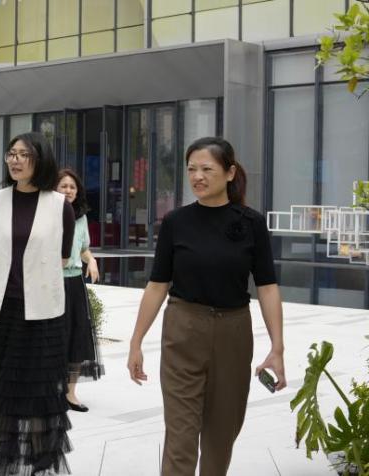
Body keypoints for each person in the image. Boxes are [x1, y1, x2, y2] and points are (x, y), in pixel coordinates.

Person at [126, 137, 286, 476]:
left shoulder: (252, 223)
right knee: (181, 436)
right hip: (183, 331)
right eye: (191, 169)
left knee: (221, 435)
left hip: (234, 333)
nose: (197, 177)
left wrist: (277, 347)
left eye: (206, 169)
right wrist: (136, 341)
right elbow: (157, 285)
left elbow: (267, 287)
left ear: (229, 173)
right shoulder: (176, 222)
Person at [0, 131, 75, 475]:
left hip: (40, 311)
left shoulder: (59, 205)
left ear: (40, 159)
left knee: (35, 387)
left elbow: (63, 258)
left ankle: (36, 455)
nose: (15, 160)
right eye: (11, 153)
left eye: (24, 154)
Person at [55, 168, 103, 413]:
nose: (68, 190)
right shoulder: (46, 214)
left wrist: (91, 260)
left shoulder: (81, 218)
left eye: (72, 187)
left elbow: (83, 248)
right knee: (52, 337)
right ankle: (50, 389)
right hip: (51, 283)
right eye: (63, 186)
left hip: (74, 283)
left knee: (77, 336)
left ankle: (70, 393)